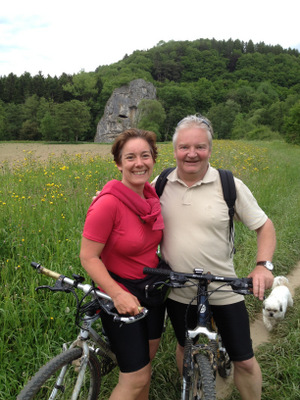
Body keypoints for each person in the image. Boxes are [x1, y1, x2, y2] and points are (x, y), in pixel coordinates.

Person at [155, 115, 276, 400]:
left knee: (244, 360)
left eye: (200, 147)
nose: (192, 154)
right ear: (175, 150)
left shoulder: (228, 184)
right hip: (179, 289)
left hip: (223, 289)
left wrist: (263, 266)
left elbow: (264, 226)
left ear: (210, 149)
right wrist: (104, 198)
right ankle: (193, 390)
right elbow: (128, 207)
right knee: (186, 348)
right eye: (184, 147)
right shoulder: (160, 183)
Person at [80, 128, 165, 400]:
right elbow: (88, 256)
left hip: (152, 289)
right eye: (130, 157)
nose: (139, 163)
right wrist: (116, 293)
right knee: (135, 376)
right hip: (120, 291)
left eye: (145, 155)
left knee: (144, 368)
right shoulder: (107, 204)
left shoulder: (151, 198)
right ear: (118, 163)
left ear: (153, 159)